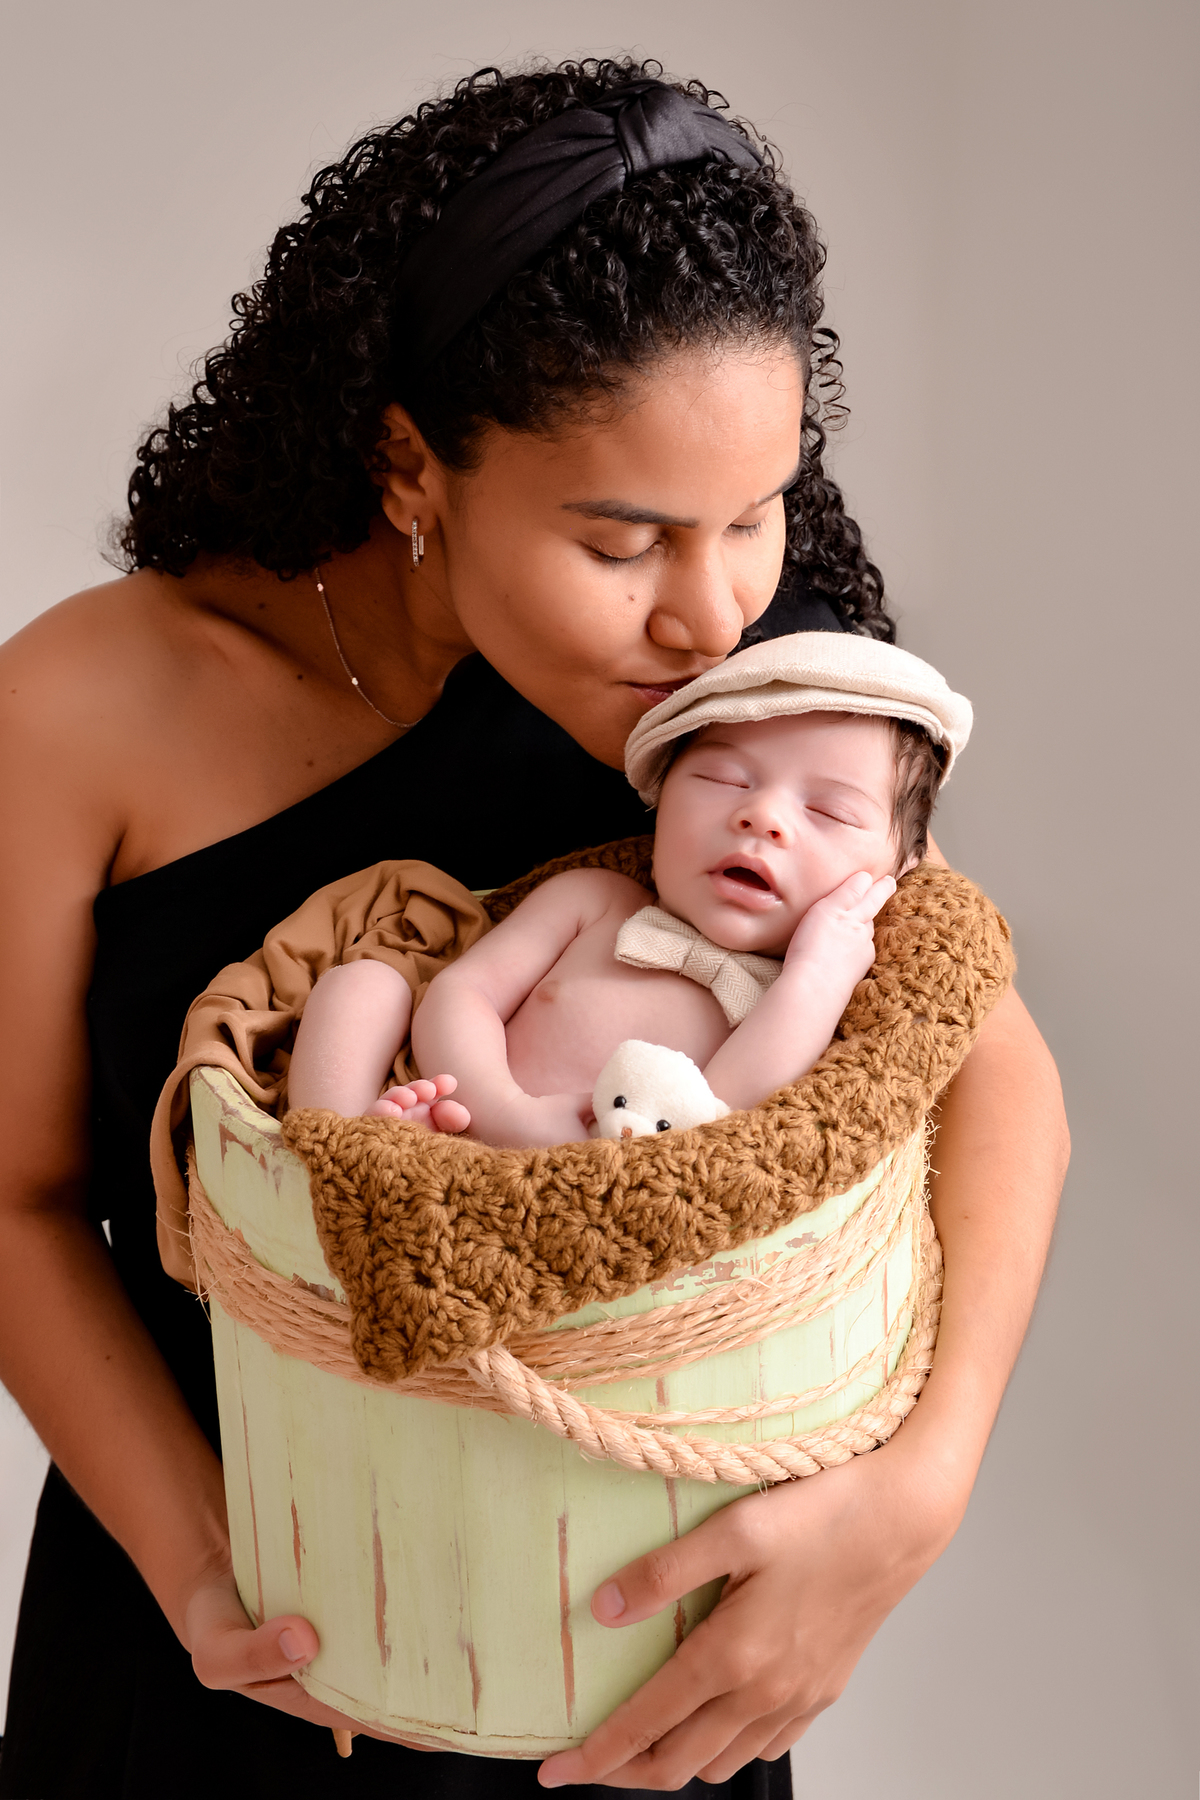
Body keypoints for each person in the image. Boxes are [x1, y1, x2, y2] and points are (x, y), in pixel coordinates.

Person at [0, 59, 1068, 1800]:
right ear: (410, 463)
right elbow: (17, 1198)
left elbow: (985, 1051)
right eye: (625, 537)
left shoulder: (749, 698)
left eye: (753, 512)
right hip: (232, 1642)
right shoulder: (80, 710)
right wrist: (213, 1567)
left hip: (631, 1661)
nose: (713, 607)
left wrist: (913, 1499)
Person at [287, 633, 970, 1144]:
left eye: (826, 812)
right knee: (362, 987)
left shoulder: (802, 1000)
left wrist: (816, 975)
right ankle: (338, 1160)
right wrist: (505, 1113)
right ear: (660, 799)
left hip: (619, 1184)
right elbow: (460, 995)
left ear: (892, 876)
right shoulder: (593, 901)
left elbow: (725, 1111)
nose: (761, 816)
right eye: (724, 780)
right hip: (460, 1112)